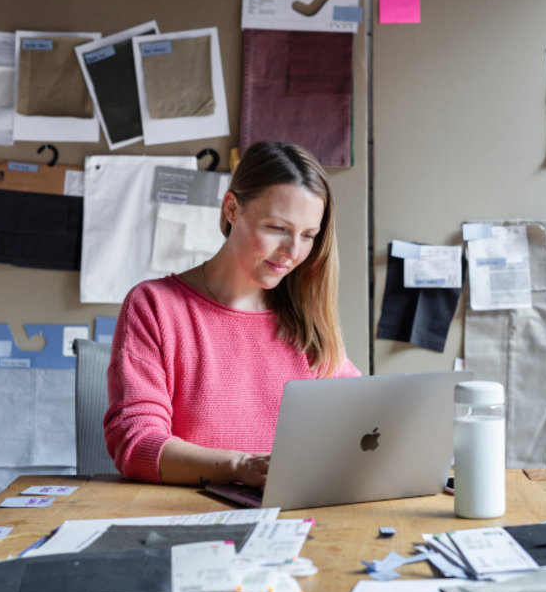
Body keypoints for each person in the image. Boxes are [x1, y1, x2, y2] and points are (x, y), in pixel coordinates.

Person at [104, 141, 360, 488]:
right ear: (231, 209)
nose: (293, 252)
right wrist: (241, 467)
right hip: (189, 518)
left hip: (293, 518)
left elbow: (364, 420)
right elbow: (135, 445)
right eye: (277, 229)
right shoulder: (155, 305)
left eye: (308, 235)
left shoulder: (305, 321)